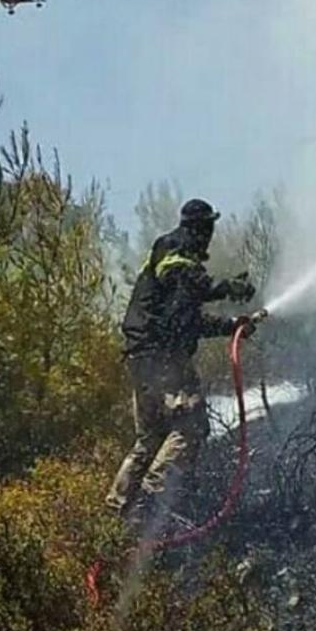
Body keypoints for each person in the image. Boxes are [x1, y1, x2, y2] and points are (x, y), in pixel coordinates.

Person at [106, 198, 258, 533]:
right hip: (161, 358)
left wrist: (231, 325)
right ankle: (146, 504)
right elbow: (187, 281)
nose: (209, 235)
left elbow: (186, 321)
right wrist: (227, 288)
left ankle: (115, 515)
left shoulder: (177, 274)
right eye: (207, 228)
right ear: (196, 228)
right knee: (191, 424)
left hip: (143, 356)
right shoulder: (174, 250)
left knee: (151, 436)